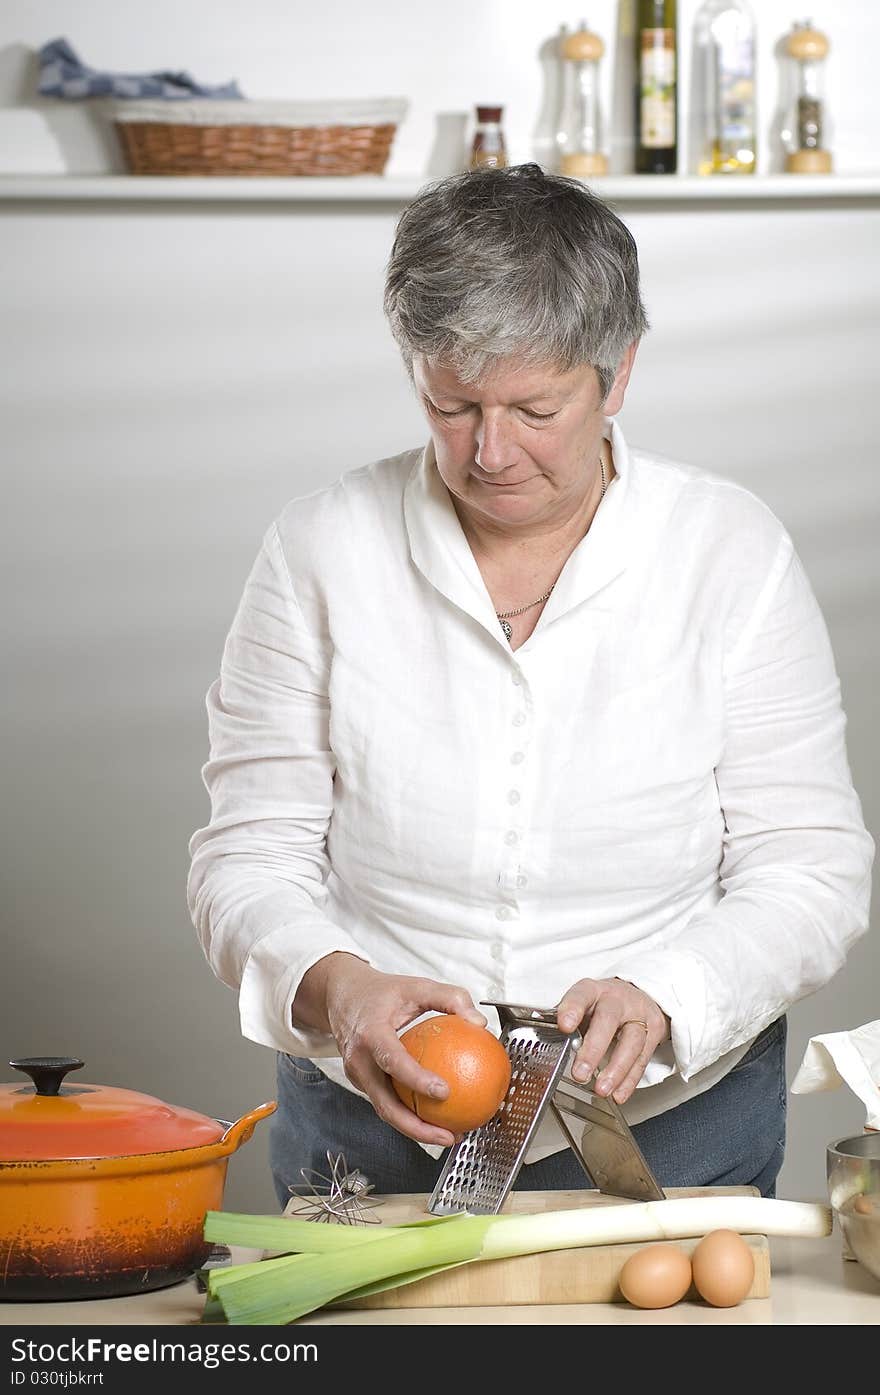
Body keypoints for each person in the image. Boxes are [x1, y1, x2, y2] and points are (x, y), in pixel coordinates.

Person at [187, 163, 873, 1209]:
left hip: (672, 1123)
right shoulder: (319, 549)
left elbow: (812, 867)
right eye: (452, 404)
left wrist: (669, 992)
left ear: (619, 373)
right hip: (371, 1119)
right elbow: (247, 857)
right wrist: (343, 987)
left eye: (534, 407)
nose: (491, 451)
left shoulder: (729, 552)